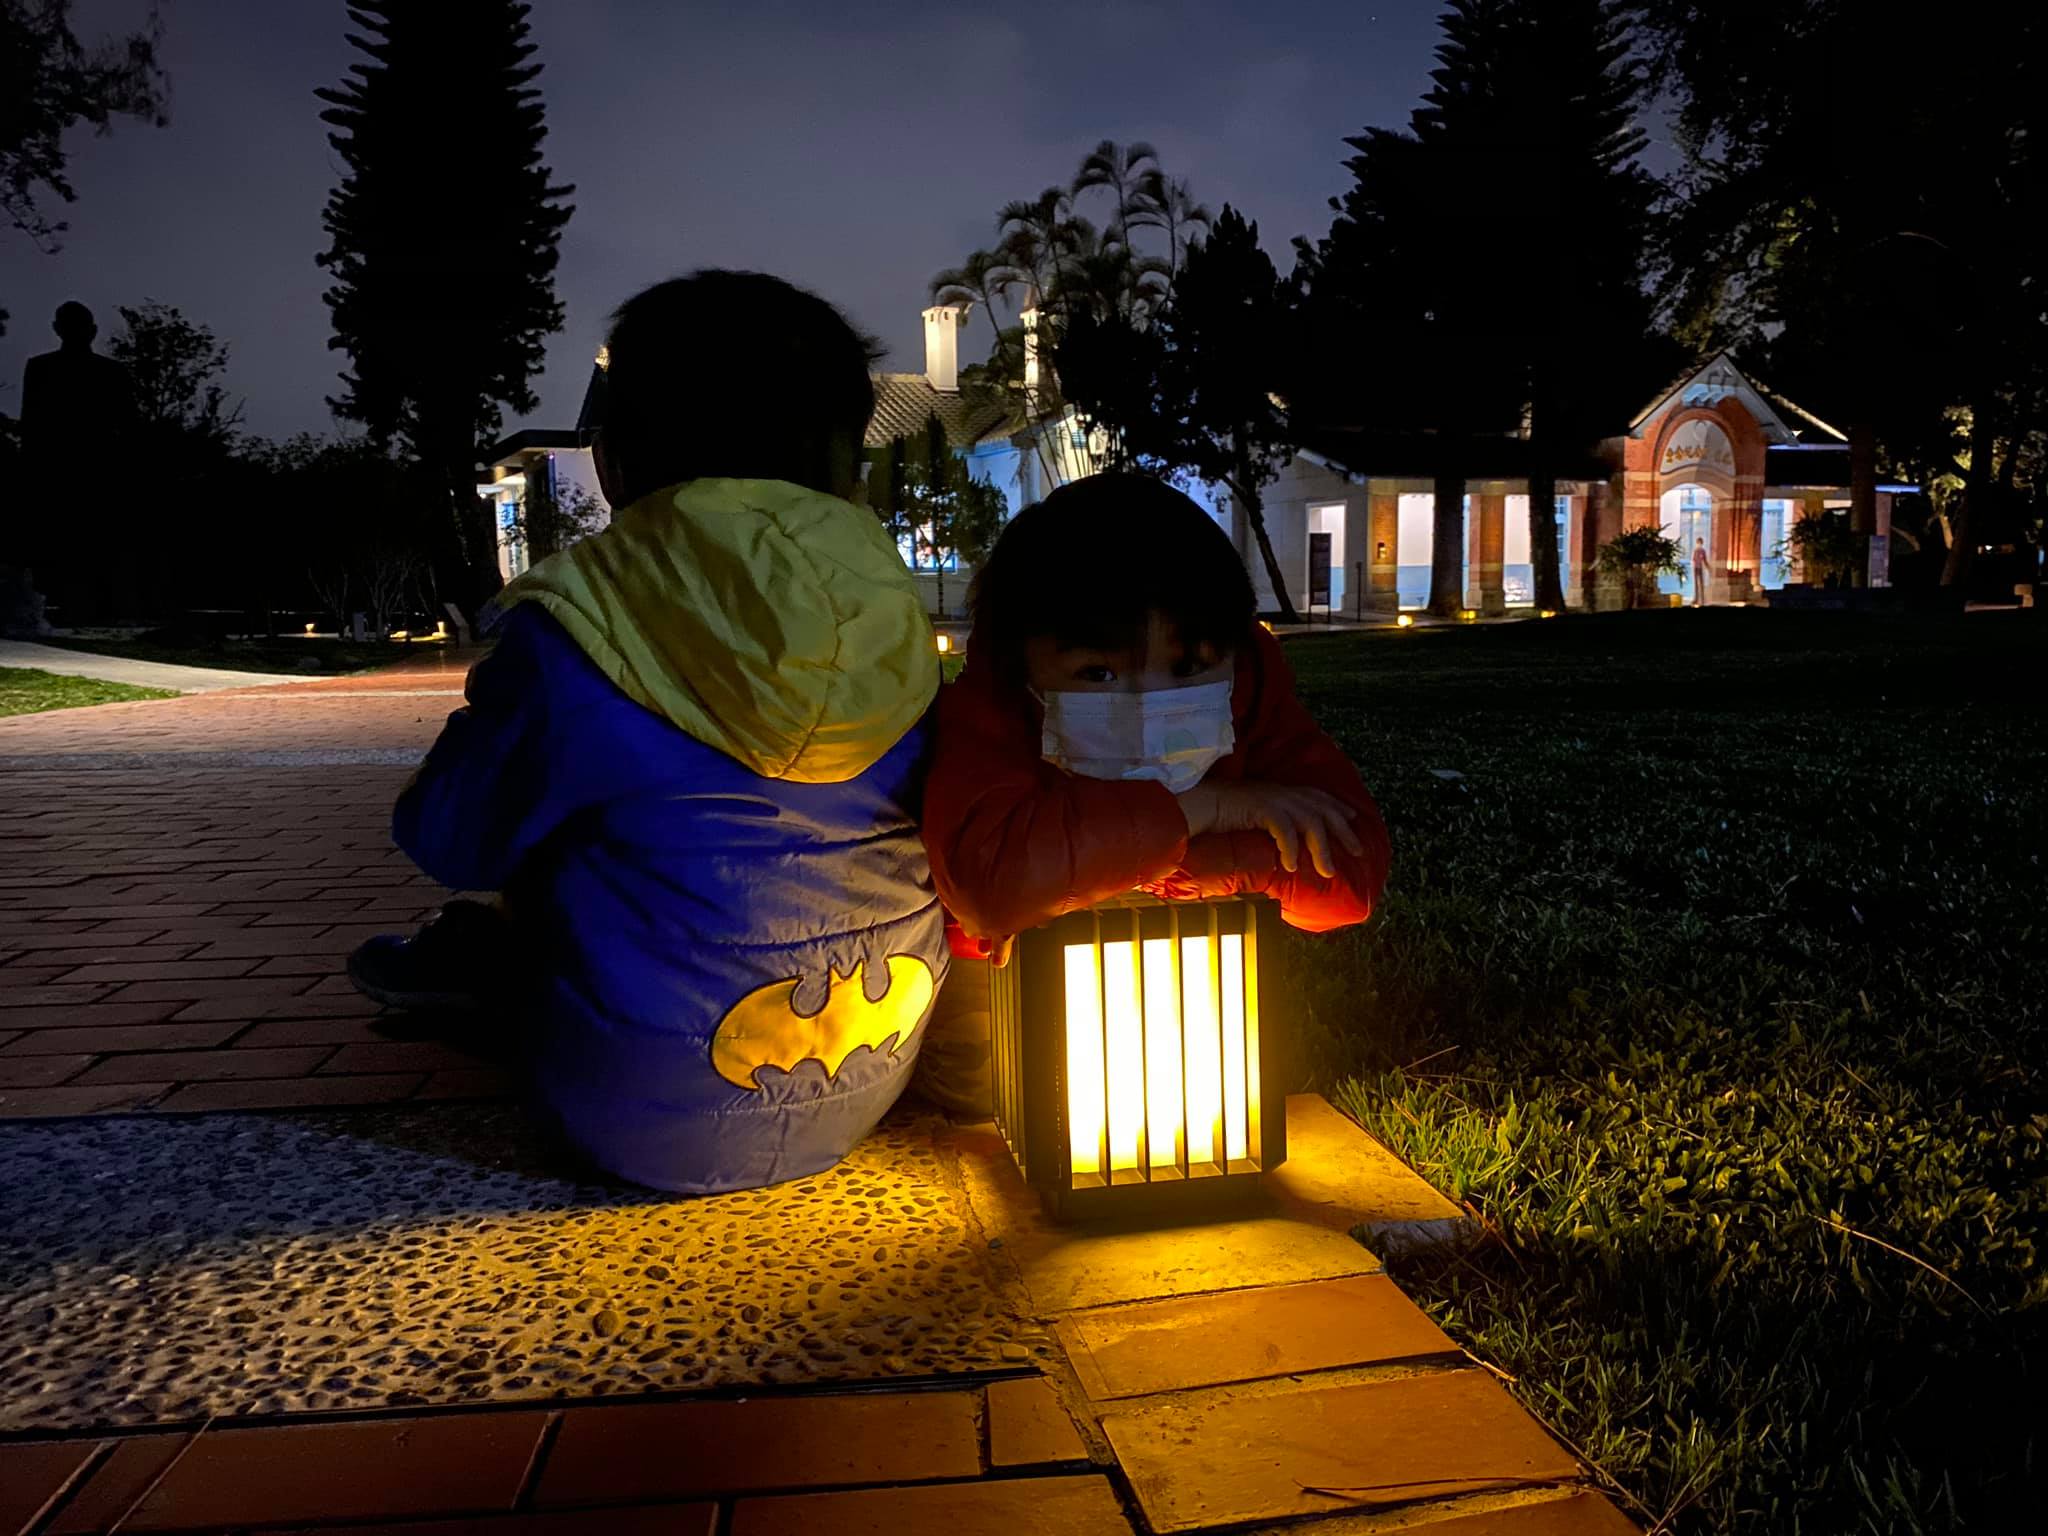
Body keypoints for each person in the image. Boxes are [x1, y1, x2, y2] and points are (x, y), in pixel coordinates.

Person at [347, 270, 949, 1194]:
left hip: (621, 1114)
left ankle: (476, 974)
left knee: (535, 862)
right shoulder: (898, 624)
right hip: (866, 1081)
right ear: (848, 466)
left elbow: (446, 837)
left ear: (615, 462)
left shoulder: (579, 627)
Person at [912, 475, 1393, 1118]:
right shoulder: (989, 713)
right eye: (1098, 673)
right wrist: (1212, 811)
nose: (1147, 701)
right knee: (1000, 1088)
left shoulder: (1251, 699)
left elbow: (1347, 880)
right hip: (1000, 984)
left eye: (1189, 666)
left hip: (1185, 973)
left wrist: (1121, 875)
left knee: (1199, 1098)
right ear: (1021, 660)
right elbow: (991, 884)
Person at [16, 302, 136, 623]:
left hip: (95, 474)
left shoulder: (110, 373)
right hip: (58, 474)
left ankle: (95, 608)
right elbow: (32, 425)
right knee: (61, 548)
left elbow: (129, 428)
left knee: (91, 548)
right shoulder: (42, 368)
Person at [1691, 536, 1710, 606]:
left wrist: (1708, 567)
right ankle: (1696, 599)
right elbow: (1693, 560)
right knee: (1696, 584)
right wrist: (1693, 567)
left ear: (1702, 543)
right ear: (1697, 543)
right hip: (1695, 568)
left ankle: (1702, 600)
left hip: (1700, 568)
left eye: (1700, 543)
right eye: (1698, 543)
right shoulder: (1695, 550)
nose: (1699, 544)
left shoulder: (1703, 551)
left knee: (1701, 584)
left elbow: (1705, 560)